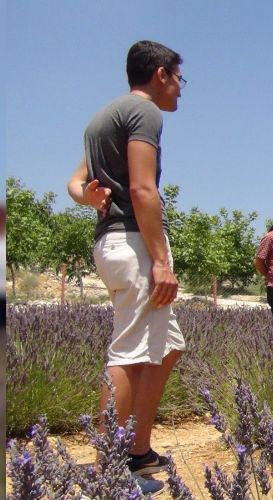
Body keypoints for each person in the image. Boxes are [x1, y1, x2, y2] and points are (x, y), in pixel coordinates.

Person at [66, 40, 187, 495]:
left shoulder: (103, 117)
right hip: (134, 242)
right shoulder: (145, 114)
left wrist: (89, 196)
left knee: (168, 345)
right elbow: (142, 189)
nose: (180, 88)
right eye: (179, 78)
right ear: (160, 74)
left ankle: (137, 449)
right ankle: (109, 471)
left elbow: (75, 182)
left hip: (115, 241)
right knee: (130, 354)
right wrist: (160, 261)